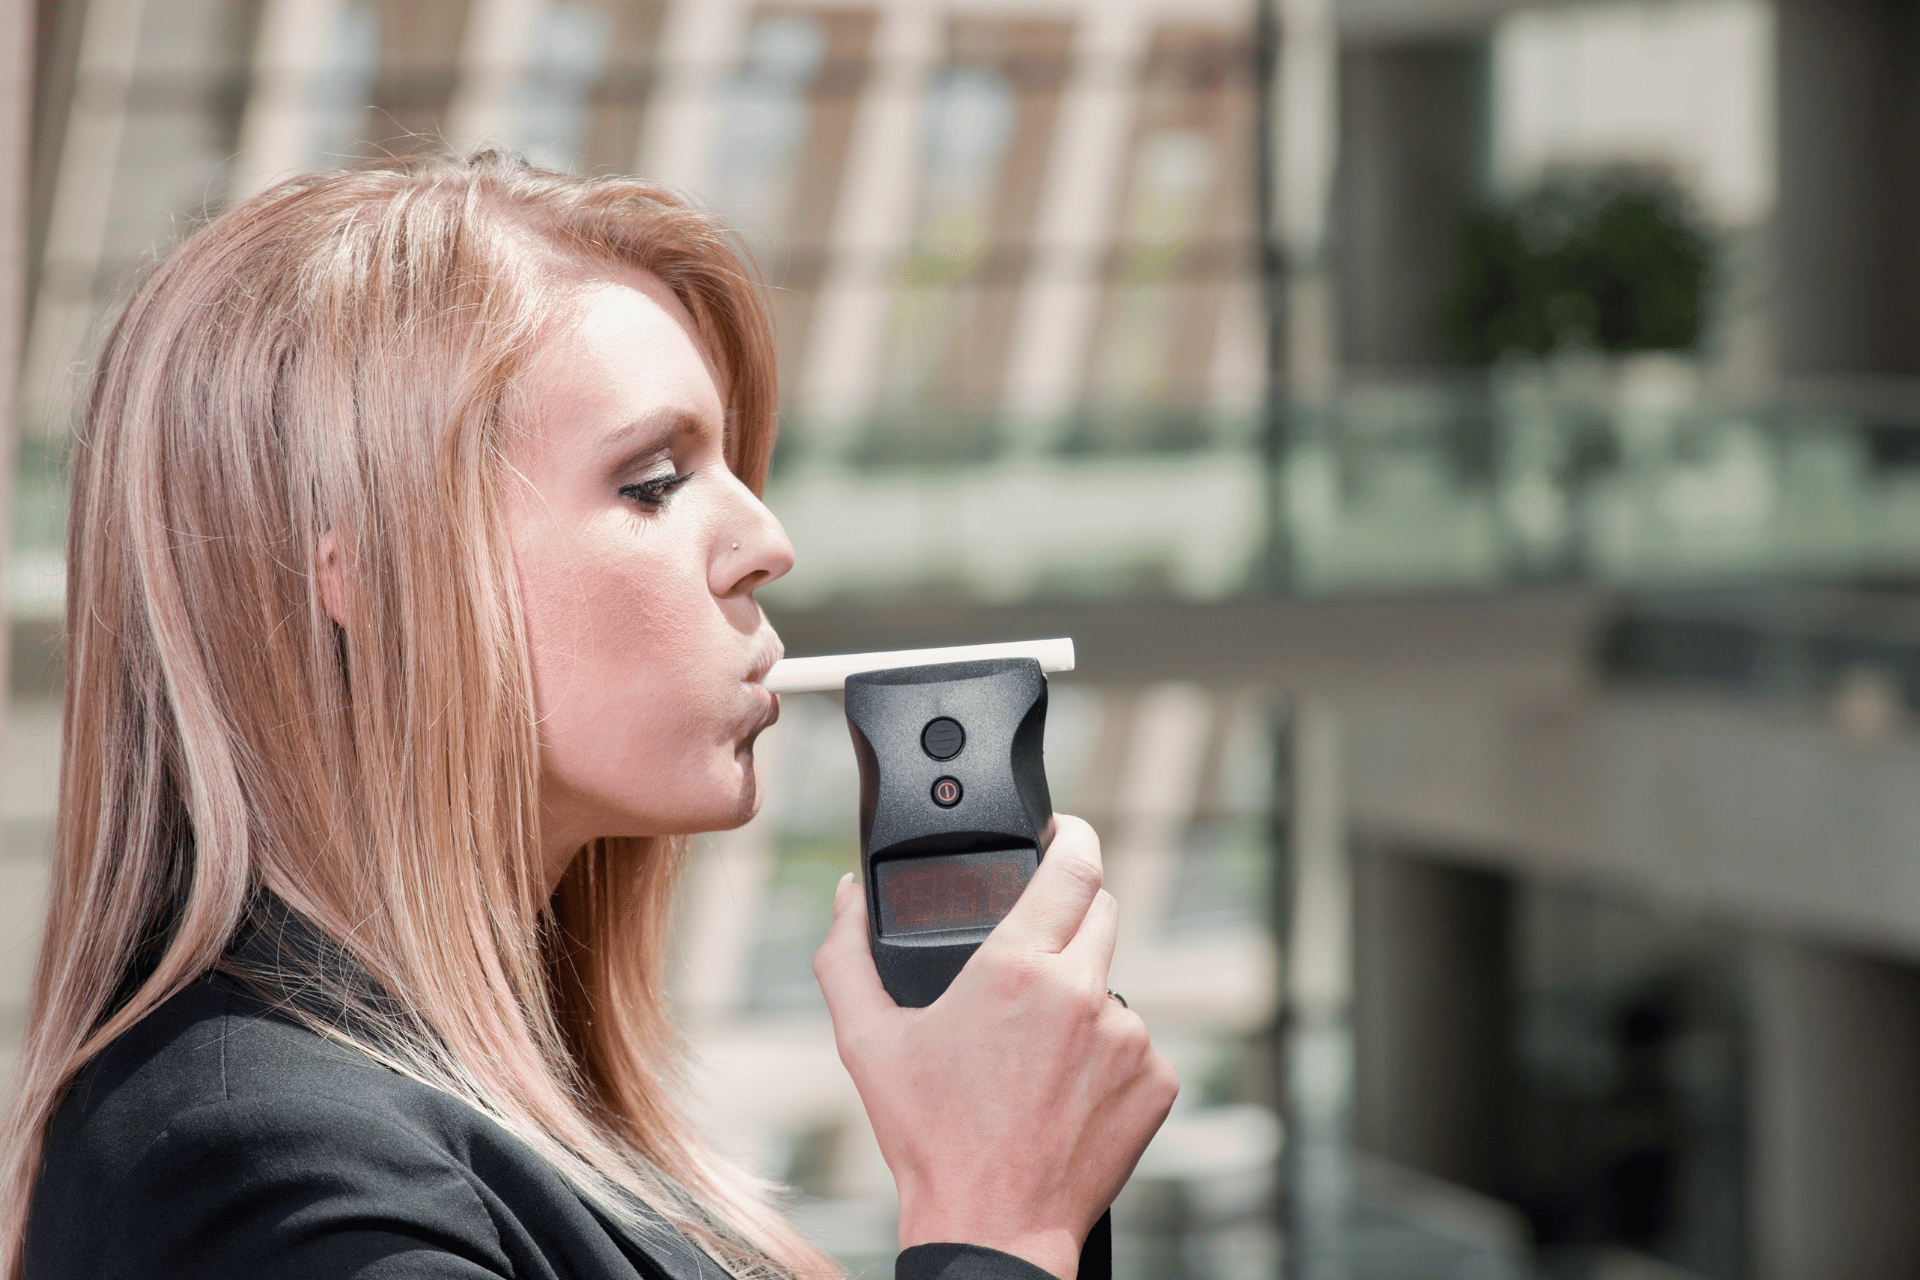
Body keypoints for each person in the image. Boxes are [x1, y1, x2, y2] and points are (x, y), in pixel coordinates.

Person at [0, 152, 1177, 1280]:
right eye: (654, 481)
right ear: (363, 572)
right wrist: (995, 1219)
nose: (767, 542)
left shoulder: (470, 1124)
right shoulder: (256, 1165)